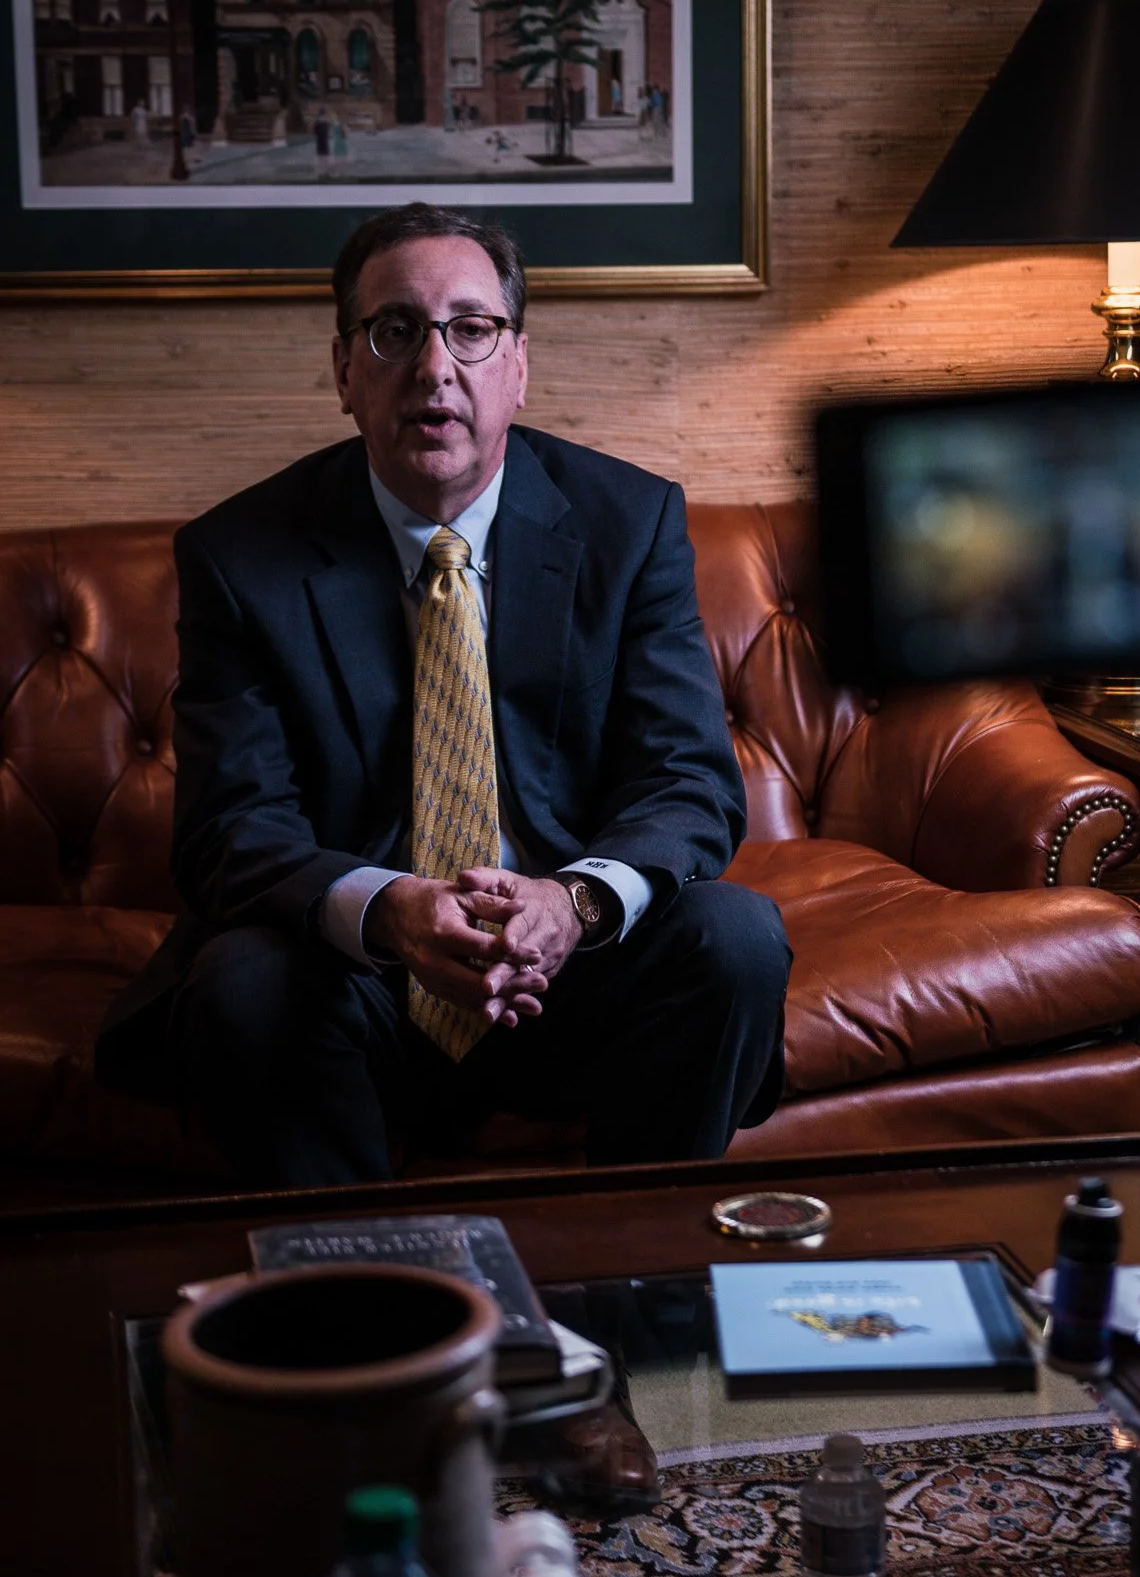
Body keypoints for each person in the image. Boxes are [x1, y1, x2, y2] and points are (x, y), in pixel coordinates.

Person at [96, 202, 790, 1199]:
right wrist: (391, 913)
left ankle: (641, 1259)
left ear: (518, 365)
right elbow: (230, 831)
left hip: (570, 974)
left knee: (736, 937)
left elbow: (687, 782)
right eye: (395, 330)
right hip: (354, 983)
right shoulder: (240, 556)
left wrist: (574, 901)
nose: (434, 368)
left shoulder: (629, 523)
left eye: (471, 329)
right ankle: (360, 1284)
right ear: (345, 369)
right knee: (241, 979)